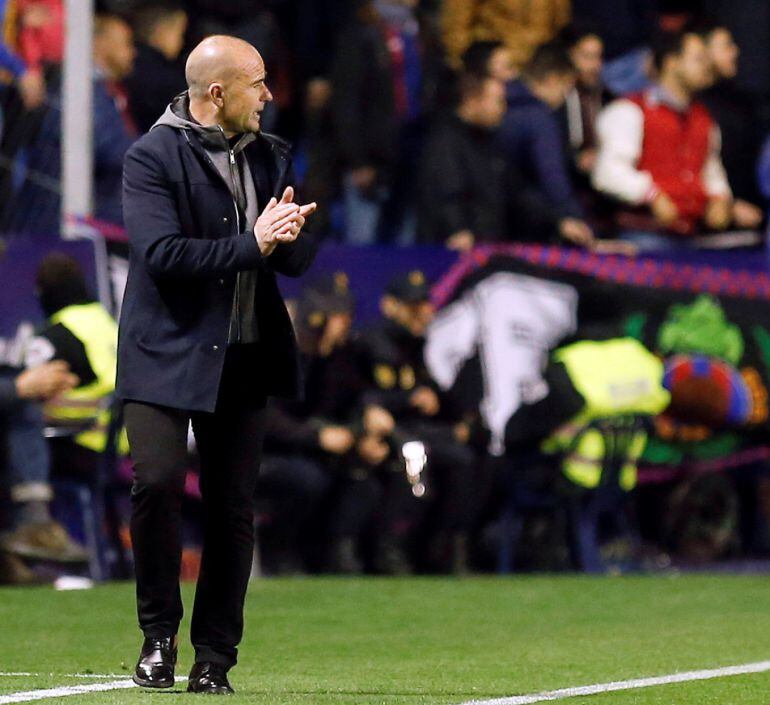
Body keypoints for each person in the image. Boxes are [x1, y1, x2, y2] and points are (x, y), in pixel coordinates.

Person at [118, 35, 317, 694]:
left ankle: (214, 657)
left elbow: (287, 258)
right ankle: (157, 634)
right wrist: (252, 242)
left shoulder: (270, 152)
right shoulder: (150, 157)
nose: (268, 95)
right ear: (216, 94)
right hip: (163, 349)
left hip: (241, 353)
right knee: (158, 480)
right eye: (257, 83)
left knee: (234, 506)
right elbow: (163, 255)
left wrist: (288, 235)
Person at [592, 29, 752, 248]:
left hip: (692, 237)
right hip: (644, 236)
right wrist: (651, 195)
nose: (707, 65)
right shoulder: (630, 111)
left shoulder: (704, 119)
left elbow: (710, 170)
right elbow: (608, 172)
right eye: (698, 58)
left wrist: (720, 198)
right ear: (671, 62)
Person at [11, 12, 137, 234]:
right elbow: (108, 146)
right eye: (126, 44)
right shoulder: (80, 87)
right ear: (98, 42)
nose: (133, 52)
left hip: (74, 211)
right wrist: (160, 152)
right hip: (54, 217)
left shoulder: (100, 89)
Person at [419, 73, 573, 249]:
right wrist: (457, 229)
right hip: (456, 250)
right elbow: (447, 193)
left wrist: (558, 221)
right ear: (473, 100)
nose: (503, 109)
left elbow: (517, 192)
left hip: (489, 245)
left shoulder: (489, 141)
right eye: (498, 101)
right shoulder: (445, 141)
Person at [498, 40, 596, 248]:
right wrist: (574, 217)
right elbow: (552, 176)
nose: (563, 99)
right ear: (552, 80)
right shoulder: (539, 119)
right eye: (565, 89)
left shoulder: (499, 104)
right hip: (530, 228)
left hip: (496, 220)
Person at [697, 21, 764, 222]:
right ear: (702, 52)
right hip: (711, 218)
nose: (735, 52)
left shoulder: (742, 102)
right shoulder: (693, 107)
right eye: (726, 46)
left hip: (754, 215)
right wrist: (729, 204)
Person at [440, 0, 570, 71]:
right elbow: (456, 26)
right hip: (491, 64)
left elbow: (560, 22)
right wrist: (467, 63)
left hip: (537, 66)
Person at [126, 0, 188, 133]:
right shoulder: (165, 79)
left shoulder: (131, 65)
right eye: (180, 33)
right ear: (162, 31)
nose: (182, 41)